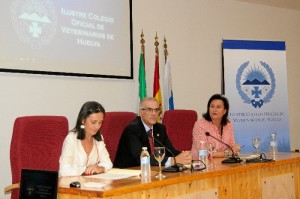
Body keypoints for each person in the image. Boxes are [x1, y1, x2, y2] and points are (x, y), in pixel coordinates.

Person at [114, 97, 192, 168]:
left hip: (152, 170)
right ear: (141, 112)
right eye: (149, 110)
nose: (154, 113)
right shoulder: (132, 129)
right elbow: (141, 158)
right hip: (129, 172)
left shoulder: (160, 128)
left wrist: (184, 156)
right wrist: (172, 160)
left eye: (156, 110)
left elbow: (170, 151)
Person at [59, 101, 113, 177]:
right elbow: (64, 170)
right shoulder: (71, 139)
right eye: (93, 122)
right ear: (83, 120)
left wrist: (100, 168)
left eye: (100, 122)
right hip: (71, 185)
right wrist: (86, 170)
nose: (97, 127)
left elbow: (108, 163)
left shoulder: (99, 138)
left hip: (92, 185)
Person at [191, 94, 240, 159]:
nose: (214, 110)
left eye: (218, 107)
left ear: (224, 111)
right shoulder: (200, 125)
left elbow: (231, 146)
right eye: (212, 106)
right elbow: (204, 152)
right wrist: (228, 153)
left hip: (223, 163)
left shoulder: (228, 124)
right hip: (201, 163)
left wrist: (235, 149)